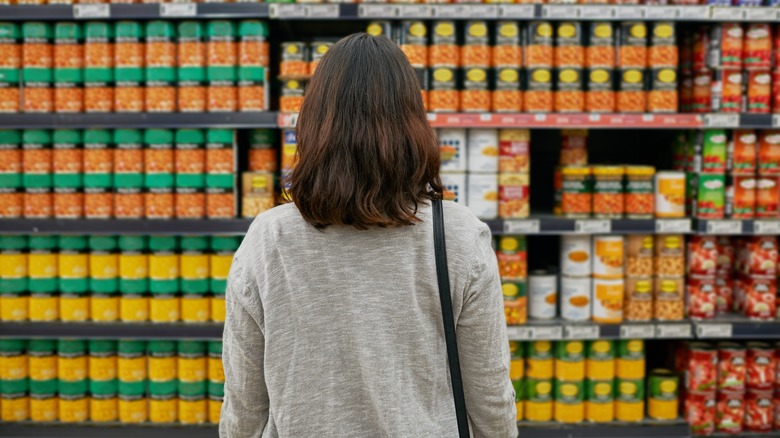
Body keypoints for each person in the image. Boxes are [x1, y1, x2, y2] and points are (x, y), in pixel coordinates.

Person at [220, 33, 516, 438]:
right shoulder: (459, 236)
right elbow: (490, 397)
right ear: (413, 122)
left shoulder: (269, 237)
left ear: (312, 123)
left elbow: (244, 406)